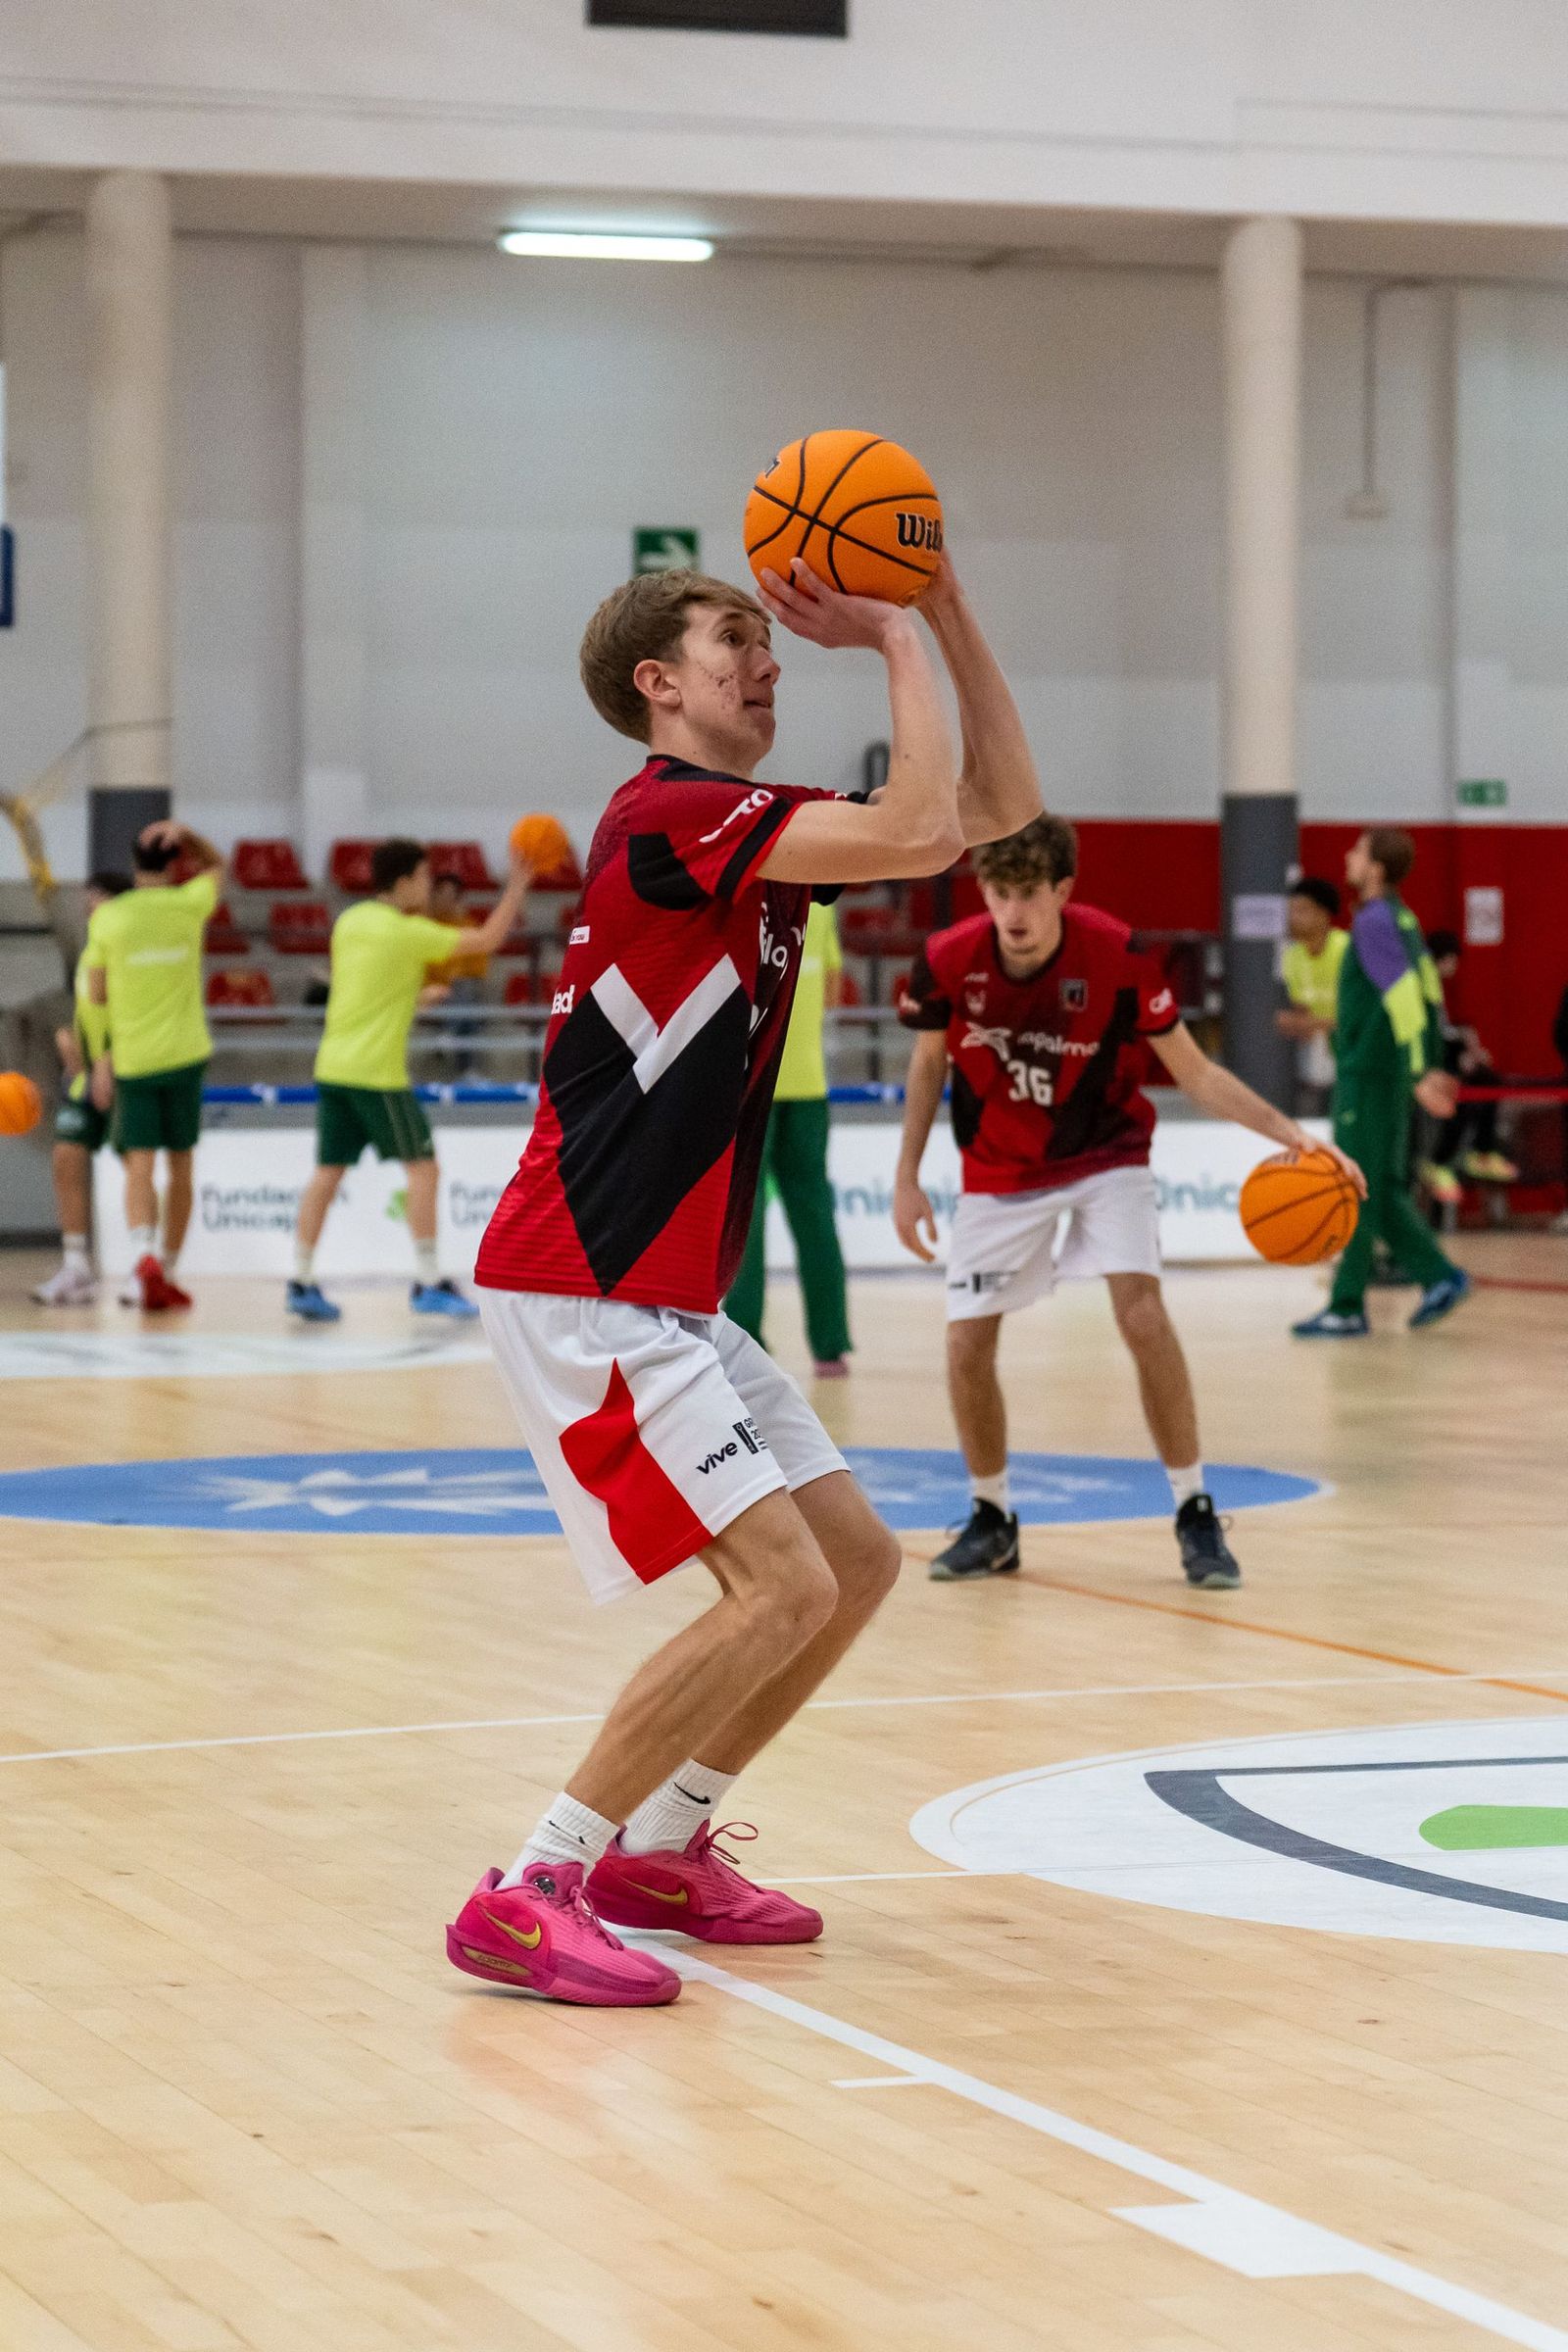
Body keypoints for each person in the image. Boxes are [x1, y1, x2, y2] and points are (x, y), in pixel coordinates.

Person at [447, 553, 1041, 2008]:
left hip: (661, 1289)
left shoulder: (745, 827)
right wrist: (893, 623)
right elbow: (916, 827)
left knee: (853, 1566)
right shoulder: (674, 813)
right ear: (659, 683)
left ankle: (661, 1848)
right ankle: (529, 1885)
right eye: (736, 642)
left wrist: (951, 610)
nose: (768, 662)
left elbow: (1000, 816)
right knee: (775, 1588)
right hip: (584, 1273)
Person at [893, 814, 1364, 1592]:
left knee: (1142, 1315)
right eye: (998, 891)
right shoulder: (947, 960)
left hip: (1107, 1155)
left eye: (1028, 894)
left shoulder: (1117, 954)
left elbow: (1199, 1073)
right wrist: (908, 1176)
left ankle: (1194, 1510)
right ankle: (991, 1516)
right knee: (964, 1346)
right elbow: (927, 1065)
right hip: (1000, 1168)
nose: (1011, 912)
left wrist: (1297, 1138)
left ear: (1063, 891)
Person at [286, 839, 530, 1323]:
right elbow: (484, 942)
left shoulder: (349, 923)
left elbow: (364, 989)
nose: (428, 884)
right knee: (424, 1169)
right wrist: (519, 885)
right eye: (422, 876)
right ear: (402, 883)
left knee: (327, 1175)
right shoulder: (408, 932)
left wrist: (413, 1000)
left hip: (334, 1067)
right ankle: (427, 1280)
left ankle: (301, 1279)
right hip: (376, 1075)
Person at [1293, 828, 1466, 1338]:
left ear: (1376, 869)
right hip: (1383, 1072)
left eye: (1358, 851)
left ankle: (1347, 1305)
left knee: (1356, 1186)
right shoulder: (1403, 918)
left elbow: (1406, 998)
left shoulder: (1373, 922)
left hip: (1370, 1073)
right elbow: (1431, 992)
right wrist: (1429, 1060)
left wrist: (1419, 1071)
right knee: (1383, 1186)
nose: (1348, 857)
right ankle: (1439, 1277)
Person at [83, 818, 223, 1312]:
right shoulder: (189, 903)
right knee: (181, 1165)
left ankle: (142, 1254)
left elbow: (96, 992)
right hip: (186, 1053)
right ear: (174, 862)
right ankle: (167, 1266)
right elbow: (218, 865)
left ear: (133, 865)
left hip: (136, 1057)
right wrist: (190, 834)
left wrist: (102, 1055)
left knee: (139, 1163)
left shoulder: (109, 918)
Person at [725, 898, 853, 1376]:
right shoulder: (822, 909)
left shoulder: (740, 903)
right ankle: (830, 1345)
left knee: (744, 1220)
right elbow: (836, 992)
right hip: (809, 1085)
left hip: (749, 1085)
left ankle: (746, 1346)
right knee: (816, 1217)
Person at [30, 870, 130, 1306]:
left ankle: (150, 1265)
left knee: (139, 1167)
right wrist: (71, 1040)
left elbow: (135, 1011)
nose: (90, 907)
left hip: (129, 1068)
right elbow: (91, 1010)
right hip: (88, 1075)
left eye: (99, 899)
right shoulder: (90, 949)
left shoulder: (130, 946)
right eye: (89, 899)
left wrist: (109, 1061)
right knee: (66, 1154)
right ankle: (76, 1266)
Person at [1416, 929, 1518, 1203]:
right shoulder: (1422, 980)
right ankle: (1441, 1160)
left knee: (1486, 1081)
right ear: (1447, 958)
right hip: (1426, 1066)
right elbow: (1431, 1032)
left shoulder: (1432, 982)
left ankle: (1481, 1153)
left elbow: (1444, 1029)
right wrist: (1462, 1049)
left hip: (1439, 1061)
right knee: (1465, 1092)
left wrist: (1465, 1043)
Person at [1277, 876, 1348, 1116]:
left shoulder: (1347, 950)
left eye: (1301, 910)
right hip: (1323, 1062)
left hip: (1356, 1053)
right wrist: (1298, 1025)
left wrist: (1312, 1024)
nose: (1292, 918)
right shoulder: (1292, 957)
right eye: (1290, 911)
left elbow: (1362, 1015)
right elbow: (1302, 1016)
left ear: (1323, 914)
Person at [426, 868, 490, 1079]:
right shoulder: (424, 927)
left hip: (458, 993)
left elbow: (478, 969)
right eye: (440, 895)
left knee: (465, 994)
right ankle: (468, 1070)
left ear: (458, 899)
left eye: (449, 896)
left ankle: (449, 1036)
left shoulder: (468, 927)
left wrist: (456, 977)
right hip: (430, 994)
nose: (444, 901)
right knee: (467, 1006)